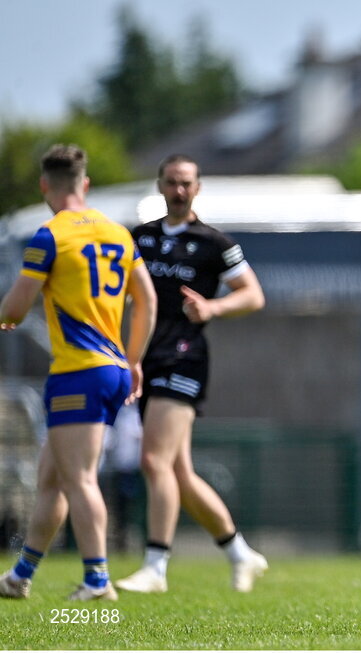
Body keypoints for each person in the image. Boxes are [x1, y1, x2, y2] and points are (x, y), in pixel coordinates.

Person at [0, 144, 157, 601]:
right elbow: (147, 298)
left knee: (80, 479)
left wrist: (6, 316)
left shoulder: (50, 235)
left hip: (78, 372)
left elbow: (15, 306)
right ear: (84, 184)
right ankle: (20, 576)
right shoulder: (118, 234)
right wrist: (134, 358)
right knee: (53, 477)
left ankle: (97, 581)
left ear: (45, 186)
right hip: (111, 369)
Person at [114, 154, 268, 594]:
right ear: (159, 185)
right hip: (145, 358)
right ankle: (240, 552)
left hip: (184, 359)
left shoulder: (215, 243)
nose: (179, 190)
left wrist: (212, 307)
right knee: (177, 472)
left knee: (153, 461)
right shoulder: (137, 238)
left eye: (186, 183)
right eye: (171, 182)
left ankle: (155, 567)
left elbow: (253, 295)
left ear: (197, 187)